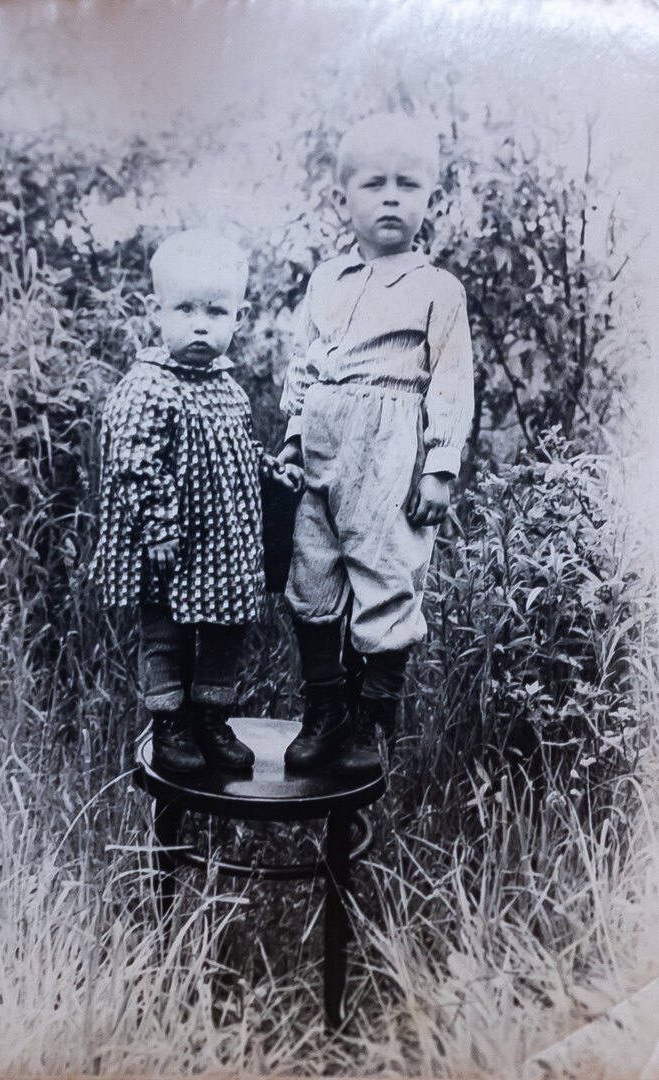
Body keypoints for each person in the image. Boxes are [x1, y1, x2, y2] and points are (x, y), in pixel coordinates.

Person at [277, 111, 474, 776]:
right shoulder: (325, 281)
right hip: (320, 450)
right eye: (373, 184)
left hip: (388, 452)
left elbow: (451, 381)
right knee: (310, 574)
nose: (390, 197)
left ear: (430, 198)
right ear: (344, 200)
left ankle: (372, 721)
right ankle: (324, 709)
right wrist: (293, 436)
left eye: (406, 184)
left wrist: (439, 466)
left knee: (386, 574)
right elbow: (304, 364)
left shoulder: (437, 289)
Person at [92, 229, 301, 775]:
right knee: (166, 633)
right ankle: (170, 726)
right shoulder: (148, 387)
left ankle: (212, 720)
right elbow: (135, 461)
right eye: (185, 309)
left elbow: (235, 449)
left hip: (221, 547)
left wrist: (267, 467)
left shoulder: (227, 387)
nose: (200, 324)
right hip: (169, 547)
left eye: (216, 311)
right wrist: (159, 525)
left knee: (226, 632)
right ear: (155, 311)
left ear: (240, 317)